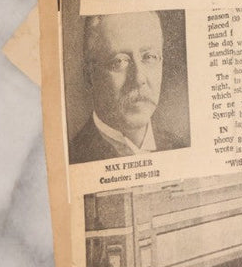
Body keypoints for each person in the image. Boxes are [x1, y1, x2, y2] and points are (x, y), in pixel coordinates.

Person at [69, 11, 188, 163]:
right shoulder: (74, 158)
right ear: (89, 76)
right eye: (119, 61)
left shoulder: (179, 148)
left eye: (149, 57)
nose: (139, 79)